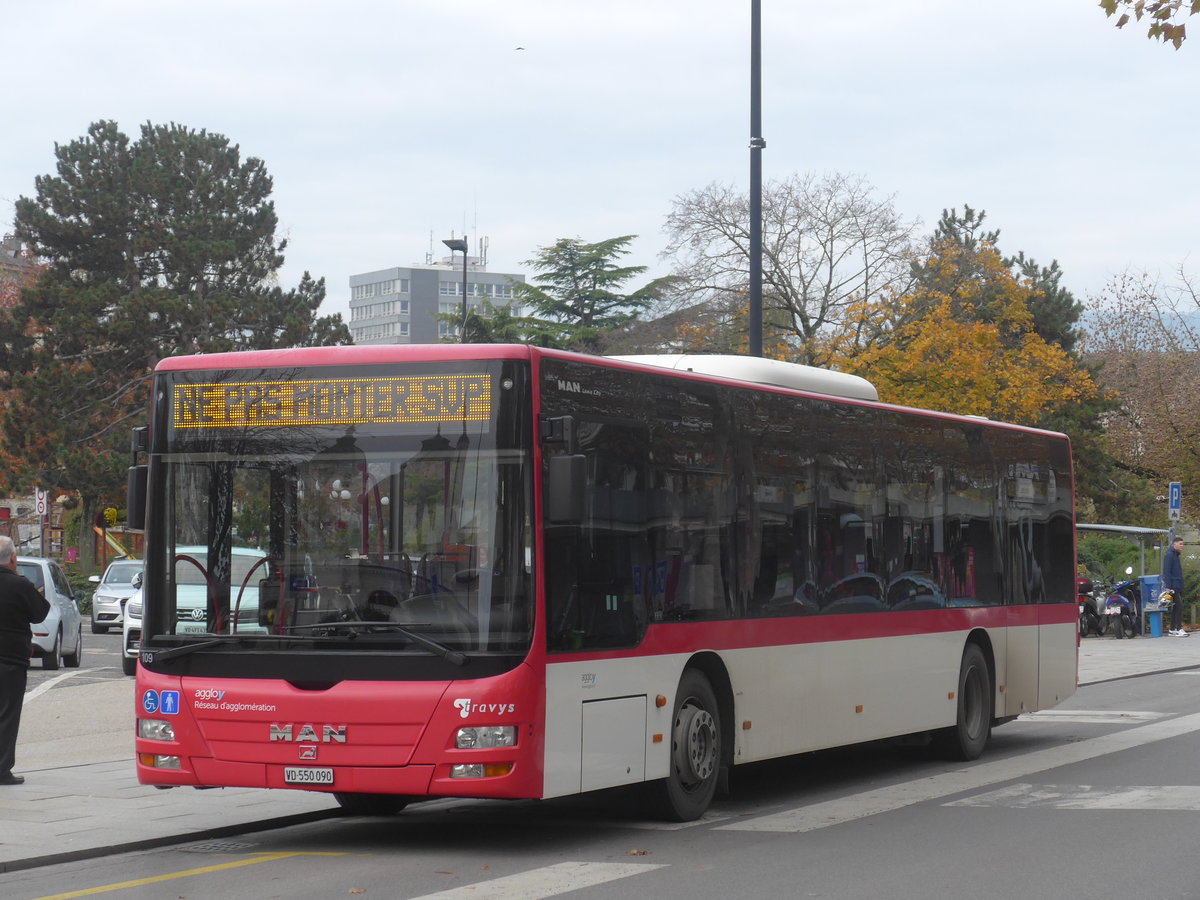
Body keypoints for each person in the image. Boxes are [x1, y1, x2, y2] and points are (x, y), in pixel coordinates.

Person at [0, 535, 51, 785]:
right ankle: (1, 769)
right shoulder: (19, 585)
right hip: (10, 659)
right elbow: (41, 612)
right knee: (7, 714)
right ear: (13, 557)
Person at [1163, 536, 1188, 637]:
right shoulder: (1170, 555)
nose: (1182, 546)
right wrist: (1168, 587)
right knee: (1179, 606)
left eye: (1183, 544)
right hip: (1172, 586)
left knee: (1176, 607)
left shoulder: (1175, 555)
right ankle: (1178, 628)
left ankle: (1172, 629)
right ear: (1174, 544)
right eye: (1180, 544)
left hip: (1176, 585)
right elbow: (1167, 571)